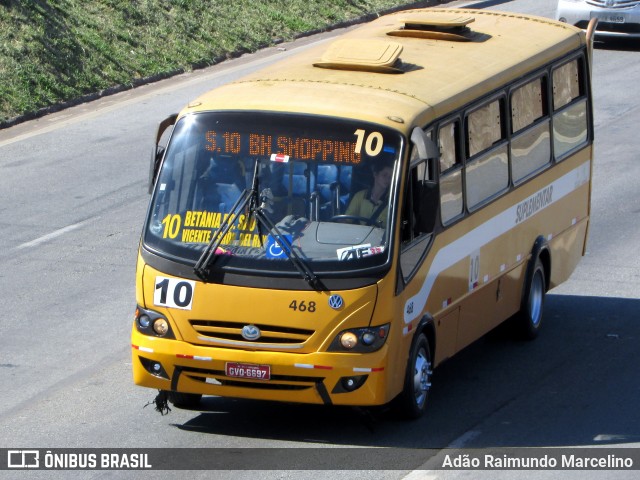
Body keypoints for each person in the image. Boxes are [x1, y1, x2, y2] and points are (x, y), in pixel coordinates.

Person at [344, 157, 393, 227]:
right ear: (375, 174)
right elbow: (346, 220)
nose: (388, 179)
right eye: (384, 175)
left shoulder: (394, 200)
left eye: (390, 177)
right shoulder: (360, 196)